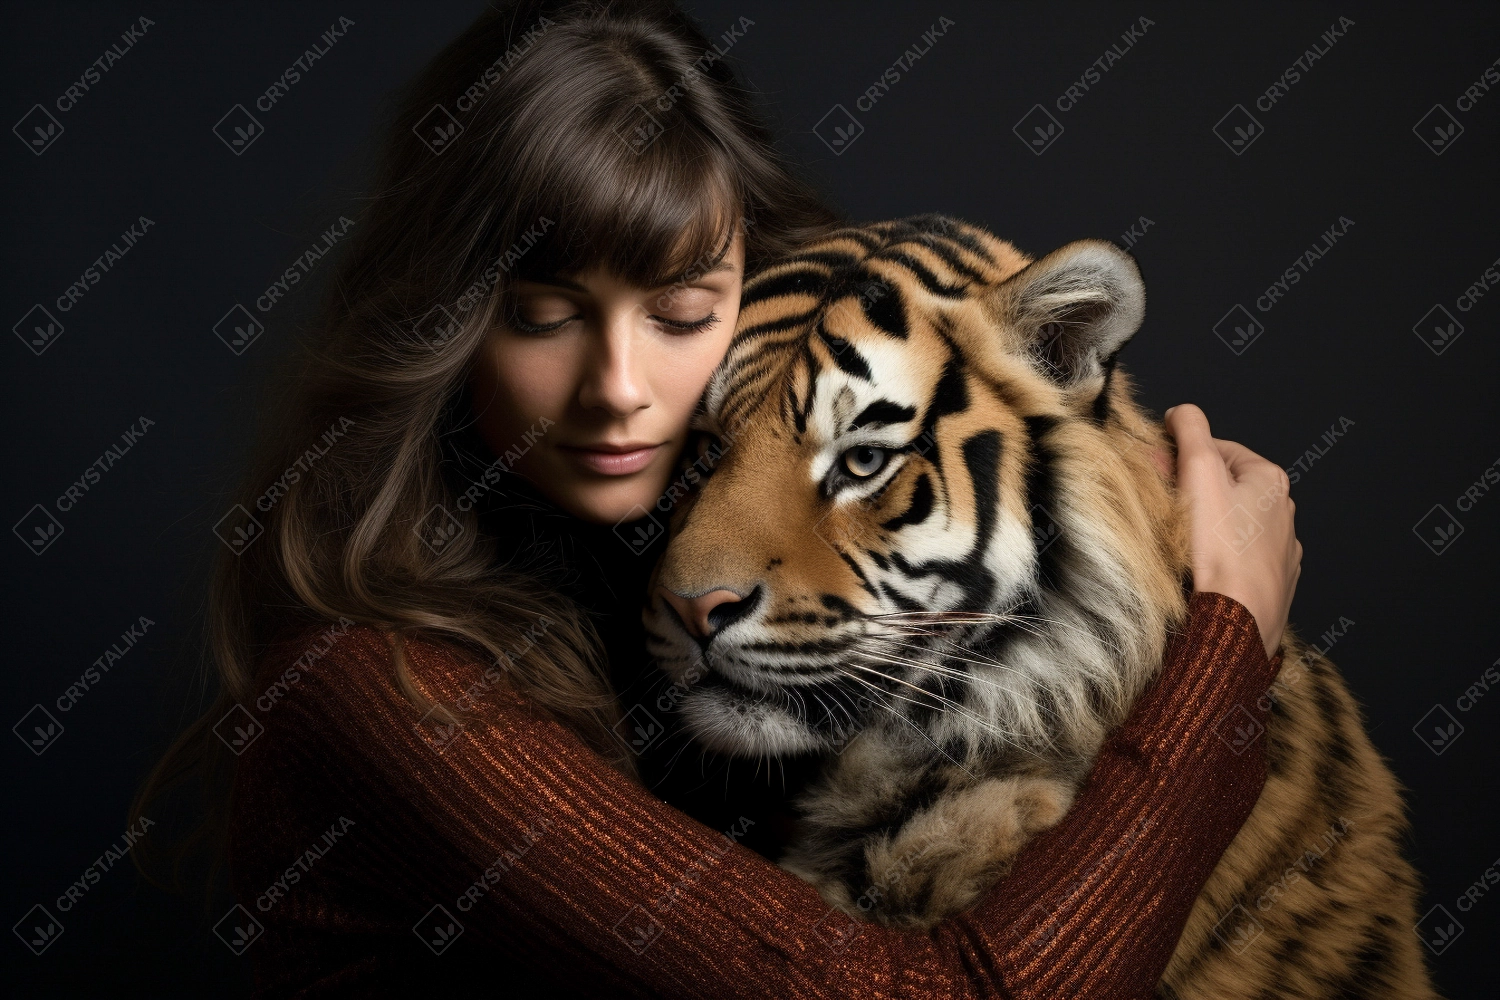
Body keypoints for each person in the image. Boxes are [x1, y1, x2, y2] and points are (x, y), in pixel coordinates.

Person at [133, 2, 1301, 996]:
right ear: (447, 324)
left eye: (686, 315)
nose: (621, 390)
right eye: (543, 314)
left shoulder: (662, 554)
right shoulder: (373, 693)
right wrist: (1225, 648)